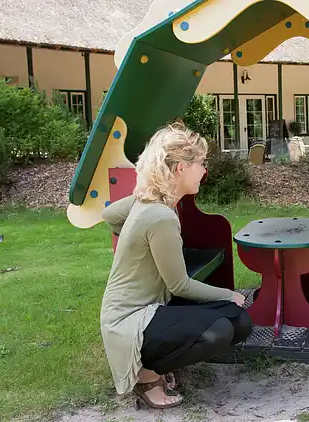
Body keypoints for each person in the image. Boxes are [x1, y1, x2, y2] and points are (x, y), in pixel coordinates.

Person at [99, 121, 251, 409]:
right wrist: (228, 294)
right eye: (201, 163)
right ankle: (146, 374)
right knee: (219, 330)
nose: (204, 171)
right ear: (180, 168)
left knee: (238, 321)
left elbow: (109, 215)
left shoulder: (151, 202)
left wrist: (139, 241)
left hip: (152, 308)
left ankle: (158, 358)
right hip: (129, 321)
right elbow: (179, 285)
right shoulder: (159, 215)